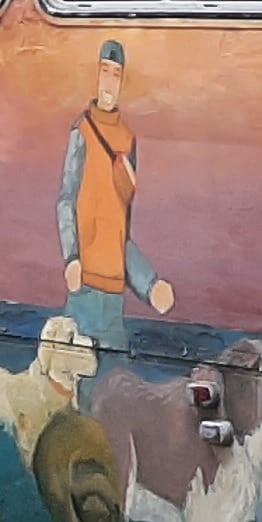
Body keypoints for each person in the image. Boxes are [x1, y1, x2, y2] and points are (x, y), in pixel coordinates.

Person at [59, 39, 174, 348]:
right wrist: (72, 256)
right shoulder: (82, 131)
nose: (109, 81)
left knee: (115, 382)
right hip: (83, 289)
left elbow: (121, 230)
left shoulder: (127, 140)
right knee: (76, 379)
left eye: (116, 74)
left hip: (114, 295)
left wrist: (149, 284)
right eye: (105, 71)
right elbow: (67, 199)